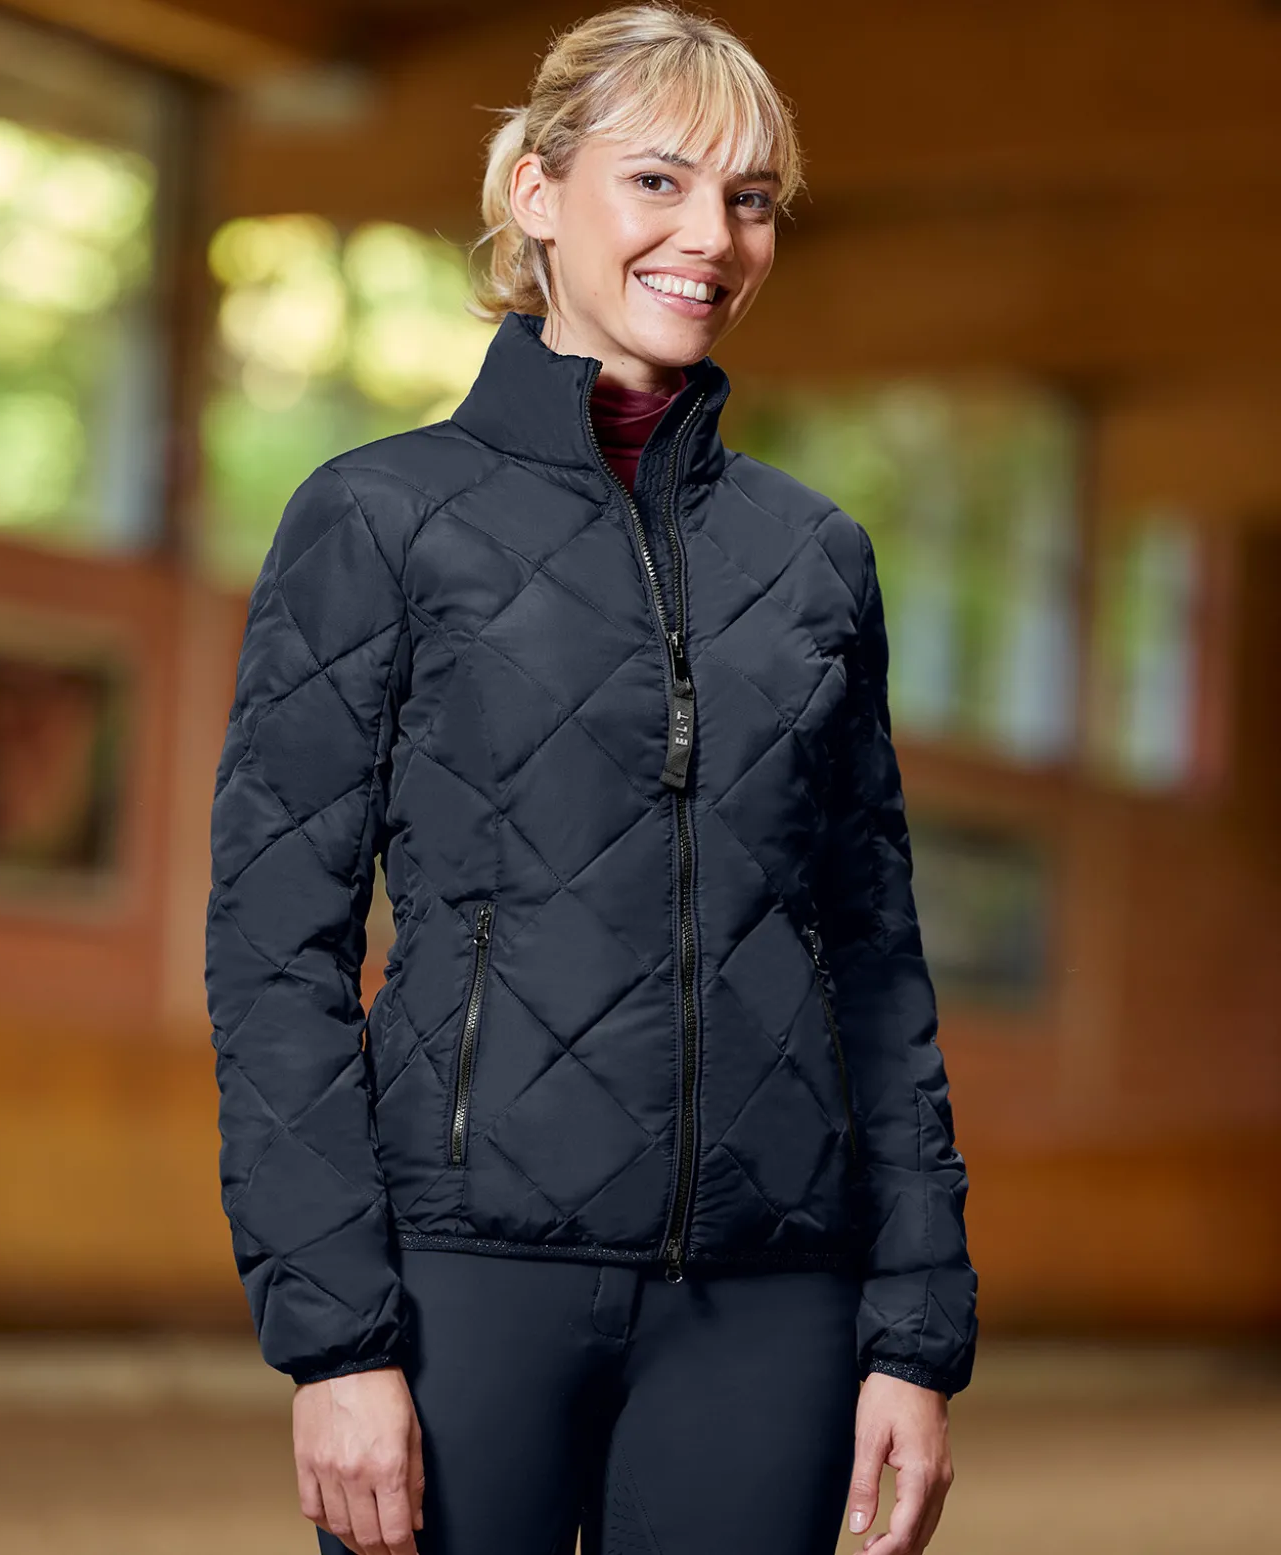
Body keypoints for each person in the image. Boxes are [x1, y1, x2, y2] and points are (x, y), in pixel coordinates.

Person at [203, 5, 979, 1554]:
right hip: (462, 1278)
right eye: (660, 182)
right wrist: (336, 1337)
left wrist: (913, 1327)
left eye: (750, 199)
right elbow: (274, 948)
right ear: (538, 192)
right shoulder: (378, 519)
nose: (713, 238)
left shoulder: (815, 558)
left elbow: (877, 960)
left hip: (768, 1300)